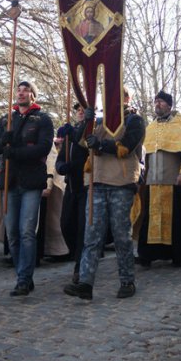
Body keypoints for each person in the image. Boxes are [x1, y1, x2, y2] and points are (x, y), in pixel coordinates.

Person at [63, 87, 145, 300]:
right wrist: (85, 124)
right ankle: (85, 283)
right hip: (97, 182)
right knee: (92, 236)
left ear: (127, 99)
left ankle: (127, 280)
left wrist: (101, 144)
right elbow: (83, 143)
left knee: (121, 235)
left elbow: (126, 146)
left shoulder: (134, 120)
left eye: (118, 96)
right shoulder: (100, 123)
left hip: (121, 183)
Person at [0, 81, 54, 296]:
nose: (21, 93)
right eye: (18, 90)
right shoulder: (6, 119)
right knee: (13, 233)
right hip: (10, 181)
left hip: (31, 182)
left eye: (26, 90)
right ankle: (22, 274)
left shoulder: (43, 119)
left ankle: (24, 279)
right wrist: (3, 141)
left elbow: (43, 147)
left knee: (27, 231)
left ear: (33, 95)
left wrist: (16, 153)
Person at [135, 91, 181, 267]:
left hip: (173, 180)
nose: (157, 104)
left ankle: (176, 255)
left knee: (175, 221)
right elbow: (145, 155)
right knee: (150, 219)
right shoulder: (150, 127)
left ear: (169, 105)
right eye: (156, 101)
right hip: (152, 181)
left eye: (161, 102)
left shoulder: (180, 126)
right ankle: (147, 255)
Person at [56, 103, 89, 283]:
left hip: (86, 186)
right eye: (78, 110)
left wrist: (74, 135)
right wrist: (62, 166)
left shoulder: (90, 132)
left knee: (83, 227)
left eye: (83, 110)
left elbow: (84, 144)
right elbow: (60, 160)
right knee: (66, 224)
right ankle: (76, 255)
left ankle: (80, 265)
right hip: (71, 186)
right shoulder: (70, 135)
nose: (80, 113)